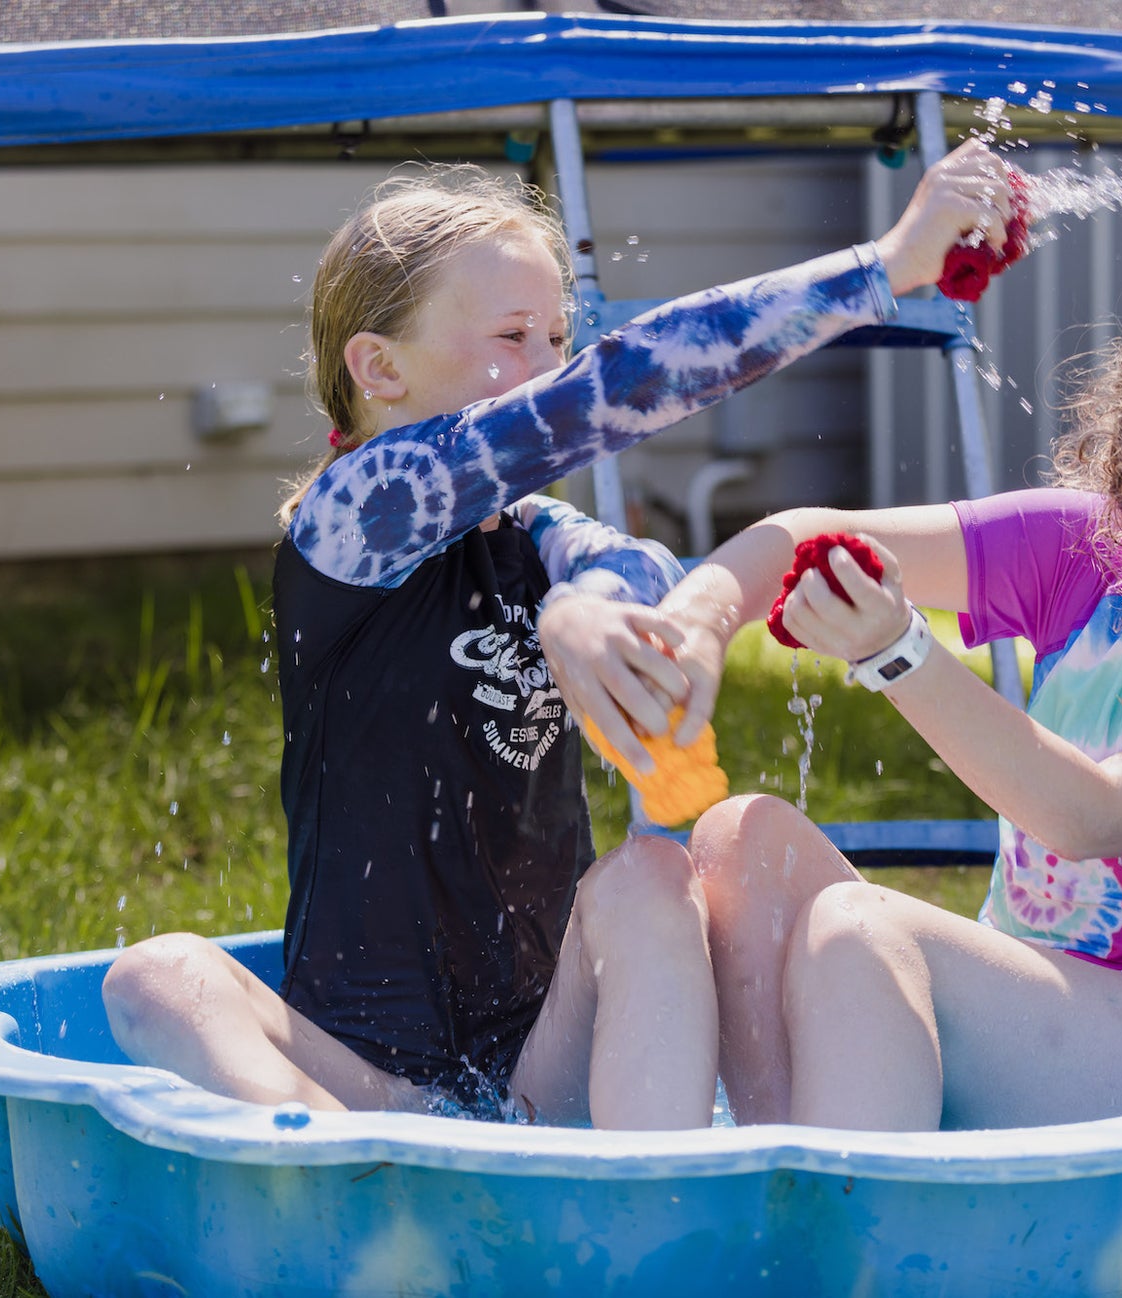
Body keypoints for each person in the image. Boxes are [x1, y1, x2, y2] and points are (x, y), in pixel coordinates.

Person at [101, 146, 1018, 1128]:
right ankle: (358, 1190)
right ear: (378, 368)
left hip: (542, 1064)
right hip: (365, 1087)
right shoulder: (352, 516)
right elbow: (607, 391)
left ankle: (644, 1219)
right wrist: (882, 267)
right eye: (511, 336)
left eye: (555, 335)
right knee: (158, 976)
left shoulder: (537, 536)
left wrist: (582, 608)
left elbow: (641, 573)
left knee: (650, 875)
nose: (550, 368)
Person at [657, 288, 1122, 1130]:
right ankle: (784, 1183)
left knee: (862, 930)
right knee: (740, 844)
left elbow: (1092, 813)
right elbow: (805, 534)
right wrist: (697, 619)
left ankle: (866, 1237)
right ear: (1119, 495)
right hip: (1037, 1028)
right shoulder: (1087, 552)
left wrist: (895, 650)